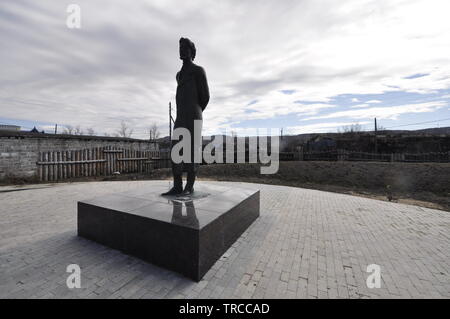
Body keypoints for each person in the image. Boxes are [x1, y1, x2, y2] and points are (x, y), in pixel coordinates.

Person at [162, 37, 210, 196]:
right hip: (181, 117)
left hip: (194, 116)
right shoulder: (178, 75)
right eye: (180, 48)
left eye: (185, 48)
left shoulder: (198, 71)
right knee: (175, 150)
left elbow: (205, 97)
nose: (182, 51)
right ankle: (177, 186)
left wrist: (195, 110)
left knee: (192, 151)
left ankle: (189, 186)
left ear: (192, 52)